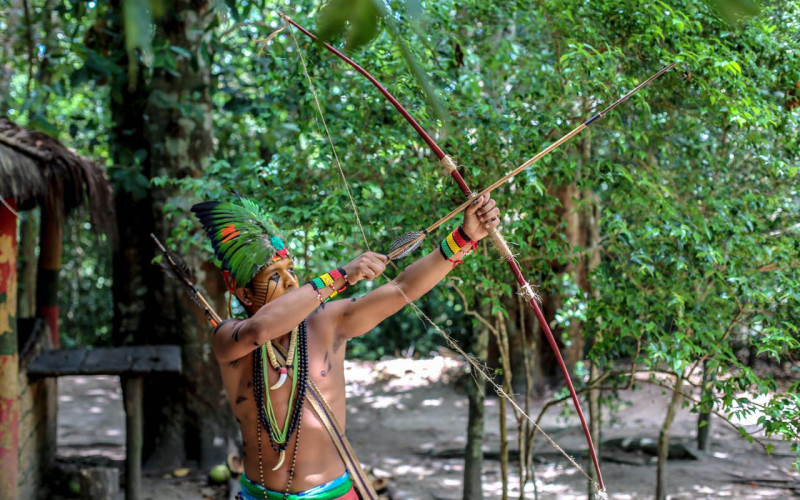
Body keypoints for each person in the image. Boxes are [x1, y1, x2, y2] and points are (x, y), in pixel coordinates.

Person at [192, 192, 500, 500]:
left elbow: (402, 289)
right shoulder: (230, 337)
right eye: (275, 275)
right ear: (245, 296)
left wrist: (465, 237)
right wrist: (339, 277)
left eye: (291, 271)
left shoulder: (327, 322)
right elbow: (259, 330)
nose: (290, 282)